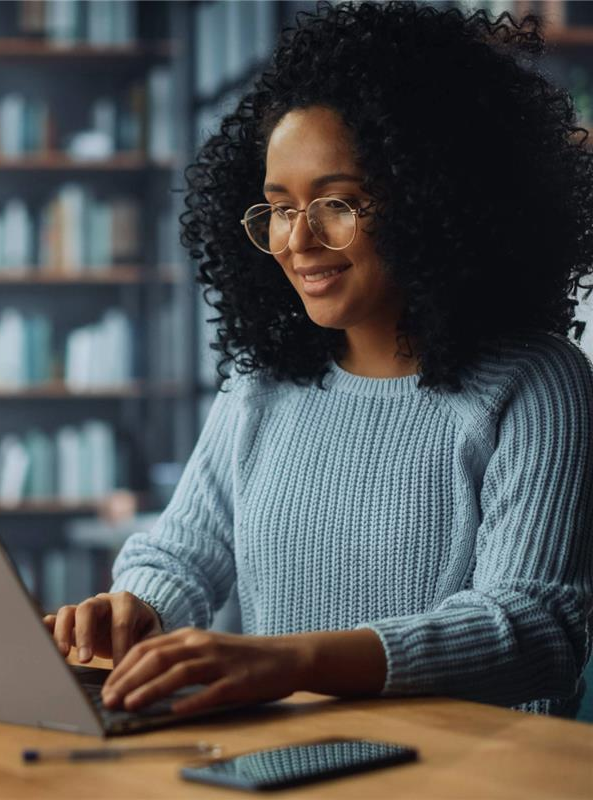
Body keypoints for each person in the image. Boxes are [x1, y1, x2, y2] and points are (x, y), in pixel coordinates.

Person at [44, 0, 593, 719]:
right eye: (277, 206)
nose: (296, 241)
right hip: (285, 771)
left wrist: (291, 661)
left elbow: (531, 631)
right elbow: (178, 557)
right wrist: (136, 609)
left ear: (437, 199)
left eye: (337, 203)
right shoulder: (261, 387)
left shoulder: (536, 383)